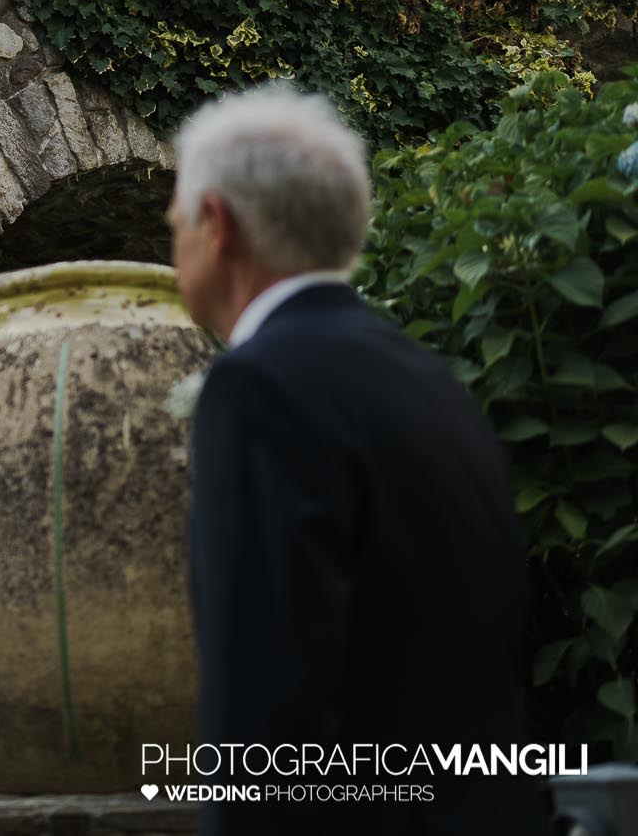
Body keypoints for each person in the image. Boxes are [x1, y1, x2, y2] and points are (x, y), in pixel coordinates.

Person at [169, 84, 543, 835]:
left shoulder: (259, 387)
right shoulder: (432, 381)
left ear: (217, 222)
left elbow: (263, 716)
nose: (172, 236)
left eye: (174, 220)